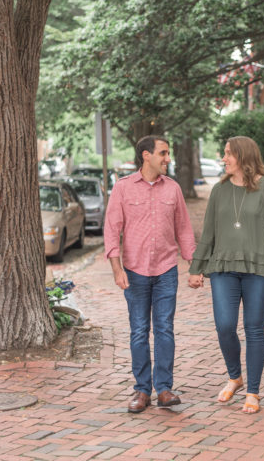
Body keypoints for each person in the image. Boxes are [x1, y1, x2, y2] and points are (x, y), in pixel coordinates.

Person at [188, 136, 264, 414]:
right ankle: (235, 377)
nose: (224, 159)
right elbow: (209, 233)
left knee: (254, 329)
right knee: (225, 326)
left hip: (258, 269)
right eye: (224, 154)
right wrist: (196, 268)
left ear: (244, 156)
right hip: (224, 267)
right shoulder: (219, 190)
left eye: (229, 154)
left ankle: (253, 391)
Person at [104, 135, 196, 413]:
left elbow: (184, 229)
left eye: (168, 153)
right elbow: (111, 230)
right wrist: (117, 269)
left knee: (165, 328)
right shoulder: (123, 189)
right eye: (163, 153)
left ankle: (164, 389)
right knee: (139, 331)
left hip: (167, 269)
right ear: (146, 155)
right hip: (135, 271)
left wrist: (194, 265)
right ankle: (142, 390)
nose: (168, 158)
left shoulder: (174, 189)